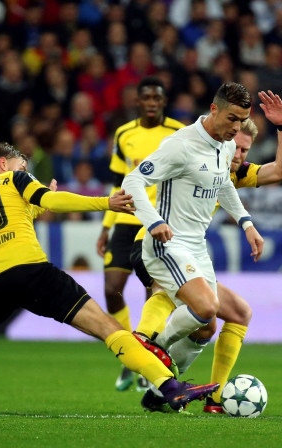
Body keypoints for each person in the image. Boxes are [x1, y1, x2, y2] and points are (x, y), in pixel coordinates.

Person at [0, 142, 218, 413]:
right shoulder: (15, 178)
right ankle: (169, 387)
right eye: (22, 166)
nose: (27, 172)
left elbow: (10, 220)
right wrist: (105, 203)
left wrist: (39, 204)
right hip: (31, 272)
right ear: (3, 164)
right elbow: (51, 202)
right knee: (109, 328)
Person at [131, 90, 282, 413]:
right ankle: (152, 349)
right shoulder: (181, 145)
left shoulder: (227, 146)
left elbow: (223, 184)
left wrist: (247, 223)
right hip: (166, 241)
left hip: (196, 246)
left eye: (243, 121)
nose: (237, 128)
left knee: (208, 324)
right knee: (203, 305)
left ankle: (160, 392)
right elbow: (133, 181)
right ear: (213, 110)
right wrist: (153, 222)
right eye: (232, 118)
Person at [96, 77, 185, 392]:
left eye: (156, 98)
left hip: (158, 221)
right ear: (138, 102)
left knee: (154, 292)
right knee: (112, 288)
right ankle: (129, 355)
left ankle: (147, 357)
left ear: (163, 102)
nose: (151, 102)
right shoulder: (124, 134)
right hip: (125, 218)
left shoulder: (178, 133)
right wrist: (106, 226)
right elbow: (117, 183)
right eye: (145, 97)